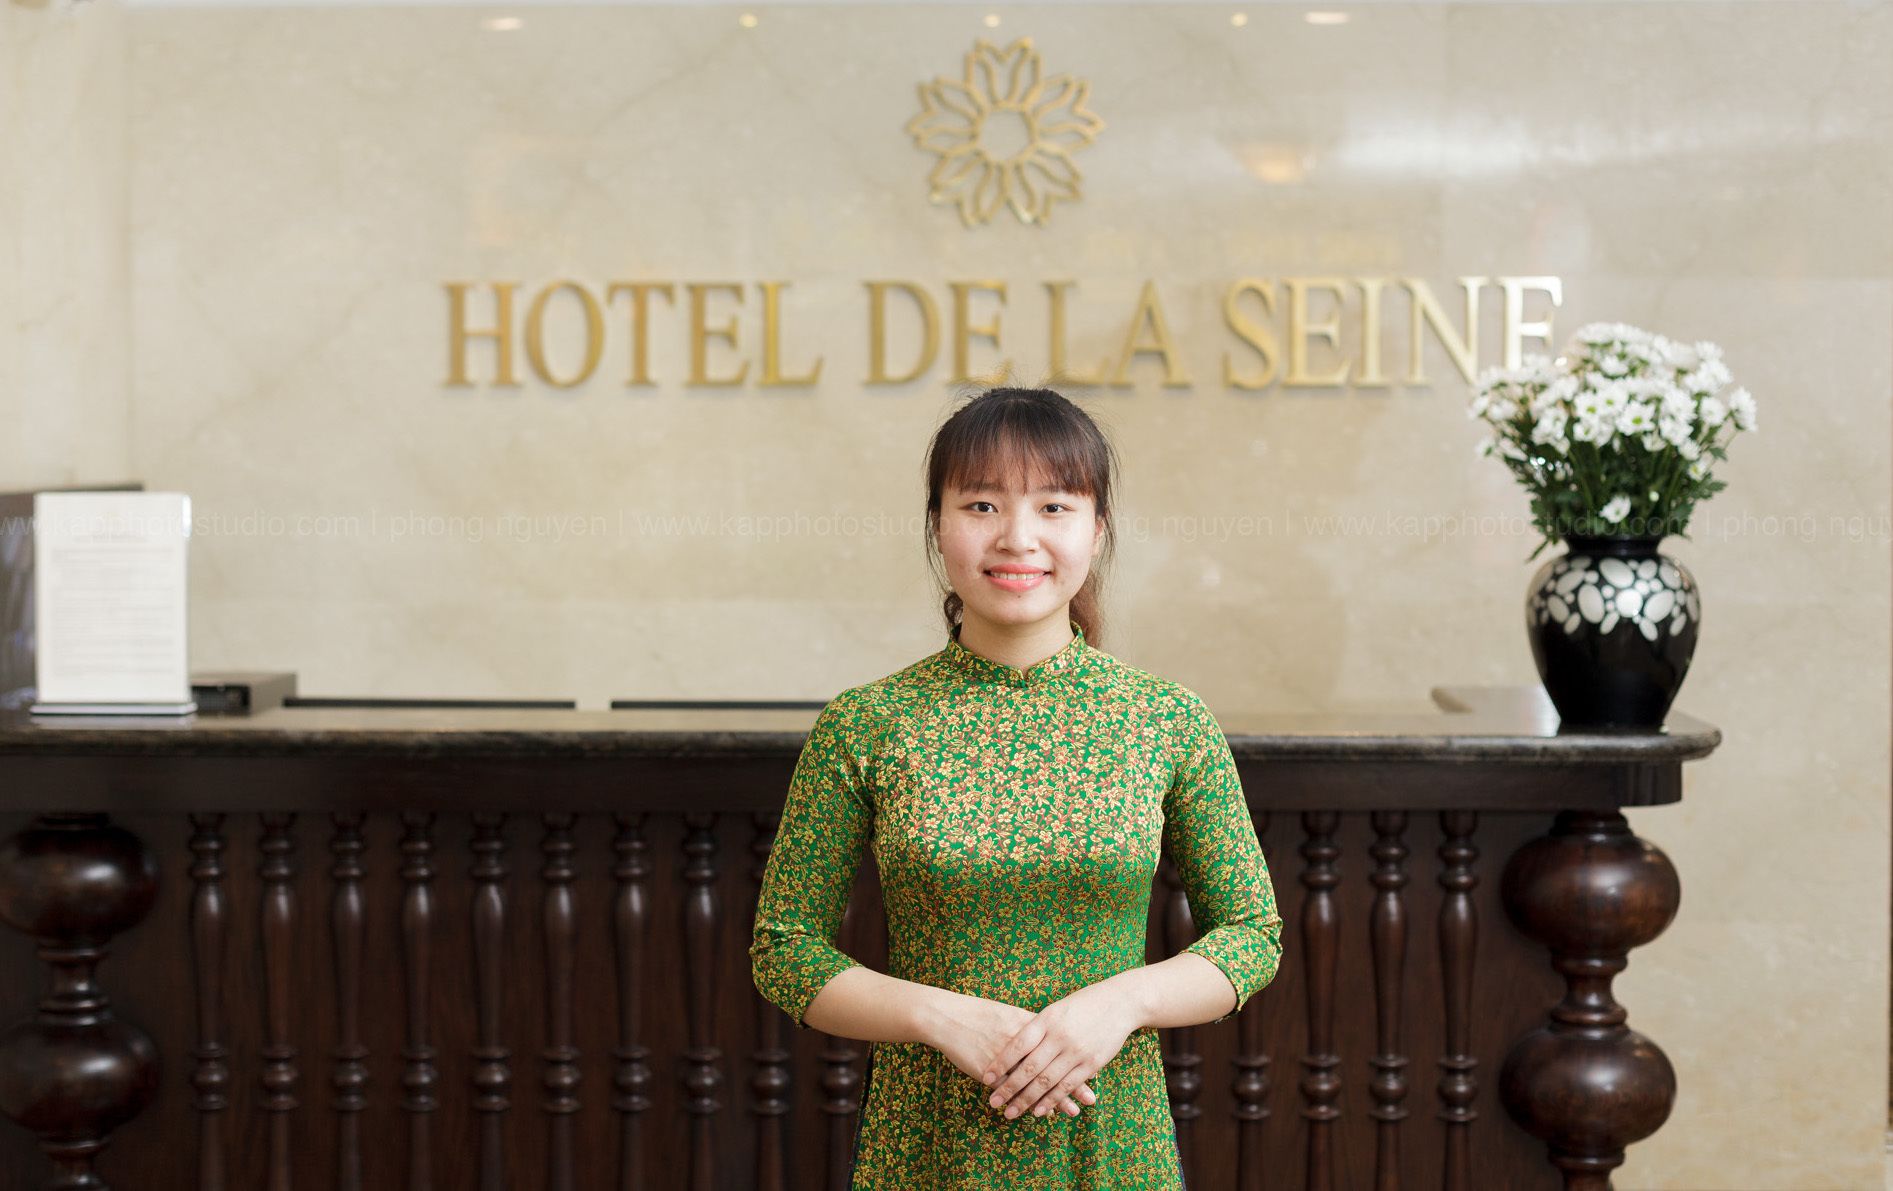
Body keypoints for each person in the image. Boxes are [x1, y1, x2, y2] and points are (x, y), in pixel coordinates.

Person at [749, 386, 1284, 1188]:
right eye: (981, 505)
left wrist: (1120, 1004)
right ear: (937, 524)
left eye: (1053, 506)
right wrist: (939, 1015)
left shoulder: (1166, 718)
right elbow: (784, 948)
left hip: (1112, 1140)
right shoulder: (868, 723)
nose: (1017, 537)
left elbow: (1250, 932)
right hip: (926, 1145)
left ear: (1096, 529)